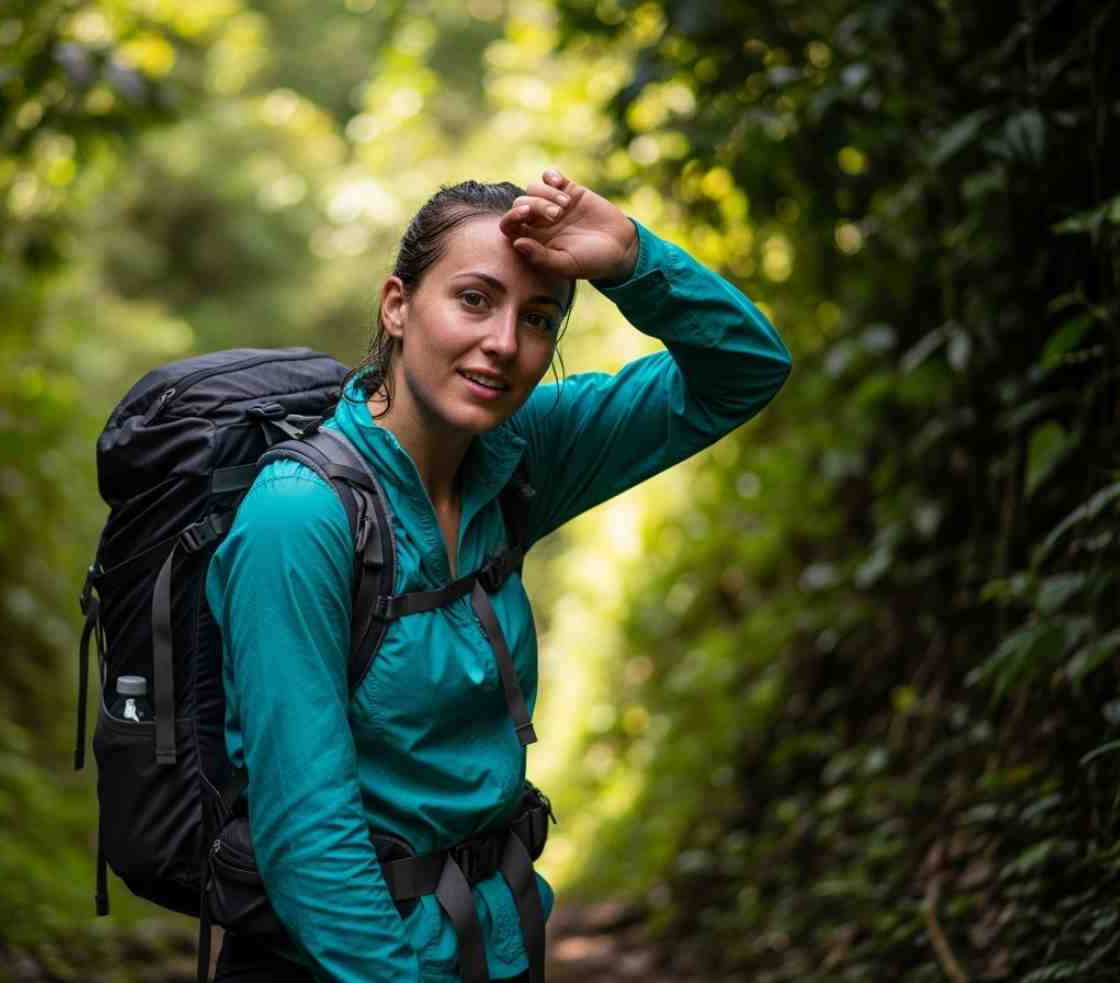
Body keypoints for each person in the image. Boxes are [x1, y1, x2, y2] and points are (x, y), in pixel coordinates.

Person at [203, 169, 792, 982]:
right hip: (337, 963)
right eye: (474, 300)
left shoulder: (518, 456)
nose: (506, 343)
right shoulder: (300, 516)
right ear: (397, 306)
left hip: (495, 942)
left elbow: (746, 369)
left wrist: (630, 258)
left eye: (539, 317)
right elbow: (310, 837)